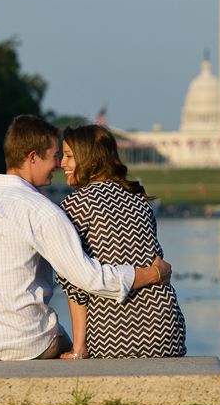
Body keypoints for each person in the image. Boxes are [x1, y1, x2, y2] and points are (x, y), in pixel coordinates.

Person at [0, 115, 171, 361]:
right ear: (32, 157)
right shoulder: (42, 209)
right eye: (54, 156)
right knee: (75, 351)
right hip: (30, 344)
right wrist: (151, 274)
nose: (59, 164)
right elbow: (86, 276)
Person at [57, 124, 186, 359]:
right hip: (168, 328)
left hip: (117, 331)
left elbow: (74, 282)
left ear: (91, 162)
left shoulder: (74, 205)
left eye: (68, 156)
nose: (61, 163)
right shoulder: (138, 199)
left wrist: (79, 348)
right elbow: (158, 263)